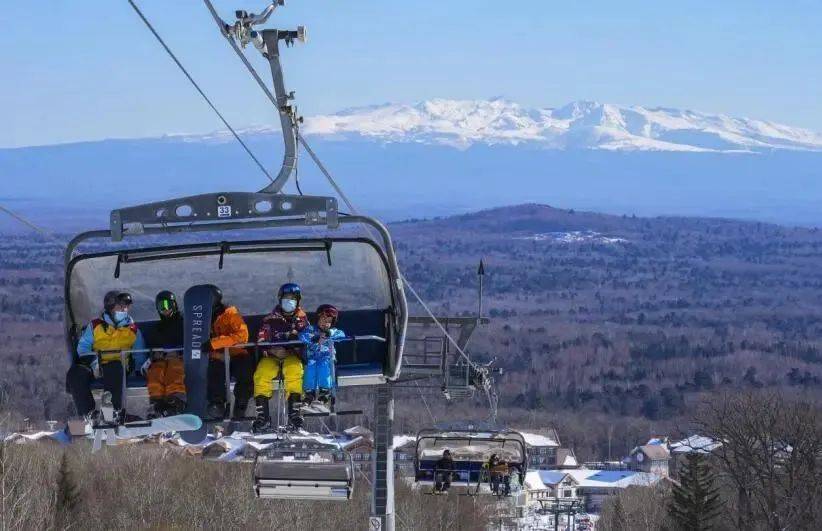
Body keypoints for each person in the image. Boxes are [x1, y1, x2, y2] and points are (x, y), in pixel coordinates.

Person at [66, 290, 147, 424]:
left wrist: (140, 369)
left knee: (114, 367)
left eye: (126, 306)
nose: (124, 309)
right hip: (97, 365)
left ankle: (112, 412)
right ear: (110, 307)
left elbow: (140, 352)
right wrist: (92, 362)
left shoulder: (132, 329)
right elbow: (83, 347)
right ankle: (88, 414)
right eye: (121, 306)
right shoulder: (95, 326)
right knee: (76, 373)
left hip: (119, 366)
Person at [252, 283, 308, 432]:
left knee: (294, 371)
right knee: (261, 374)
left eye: (292, 299)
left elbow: (306, 339)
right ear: (280, 299)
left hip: (292, 356)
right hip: (272, 356)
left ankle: (294, 415)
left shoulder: (302, 321)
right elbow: (261, 339)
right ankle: (263, 418)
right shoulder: (270, 319)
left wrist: (293, 346)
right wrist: (272, 349)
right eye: (286, 299)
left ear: (297, 301)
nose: (289, 302)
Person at [204, 286, 252, 419]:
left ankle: (241, 404)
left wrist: (215, 343)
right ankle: (217, 404)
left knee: (245, 369)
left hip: (236, 354)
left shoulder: (230, 313)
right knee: (213, 370)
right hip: (217, 357)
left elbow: (242, 336)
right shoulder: (200, 320)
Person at [142, 290, 186, 418]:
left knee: (174, 368)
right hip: (162, 359)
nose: (165, 309)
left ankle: (176, 399)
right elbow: (153, 346)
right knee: (156, 370)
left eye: (168, 305)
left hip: (179, 358)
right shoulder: (158, 328)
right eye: (162, 306)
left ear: (174, 305)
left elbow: (190, 341)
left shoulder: (183, 323)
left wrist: (177, 352)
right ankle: (156, 401)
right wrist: (155, 354)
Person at [299, 304, 345, 406]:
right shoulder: (311, 329)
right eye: (323, 319)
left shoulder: (332, 332)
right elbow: (302, 336)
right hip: (312, 357)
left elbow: (342, 335)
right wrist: (314, 338)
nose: (326, 323)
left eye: (329, 321)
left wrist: (329, 333)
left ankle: (325, 392)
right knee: (310, 369)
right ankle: (309, 393)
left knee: (324, 368)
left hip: (326, 357)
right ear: (318, 318)